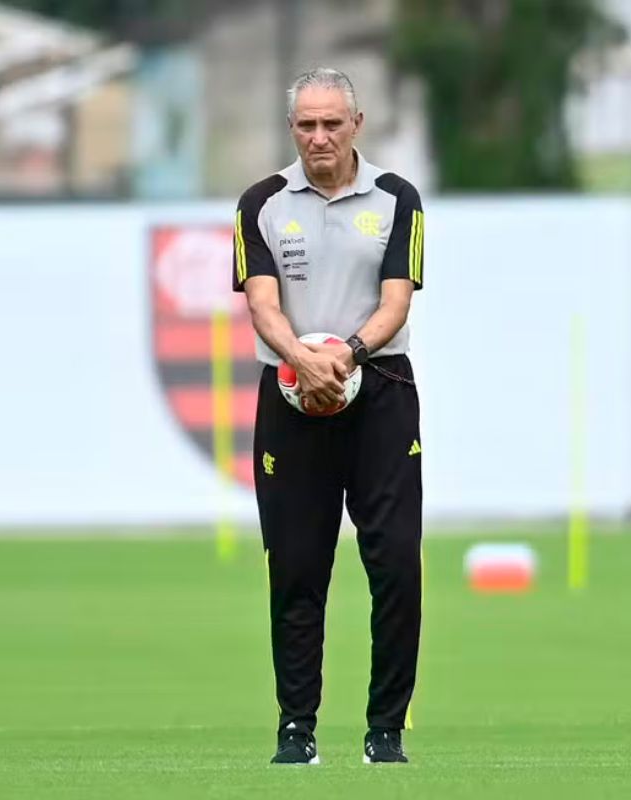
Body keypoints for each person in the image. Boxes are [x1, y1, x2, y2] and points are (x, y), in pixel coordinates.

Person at [232, 67, 424, 765]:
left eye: (331, 123)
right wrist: (303, 361)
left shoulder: (397, 198)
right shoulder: (261, 203)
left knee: (397, 564)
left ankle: (386, 730)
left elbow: (397, 298)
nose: (319, 136)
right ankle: (297, 729)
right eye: (307, 125)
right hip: (290, 398)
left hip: (379, 391)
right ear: (293, 130)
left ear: (356, 125)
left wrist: (343, 354)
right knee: (297, 568)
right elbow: (261, 303)